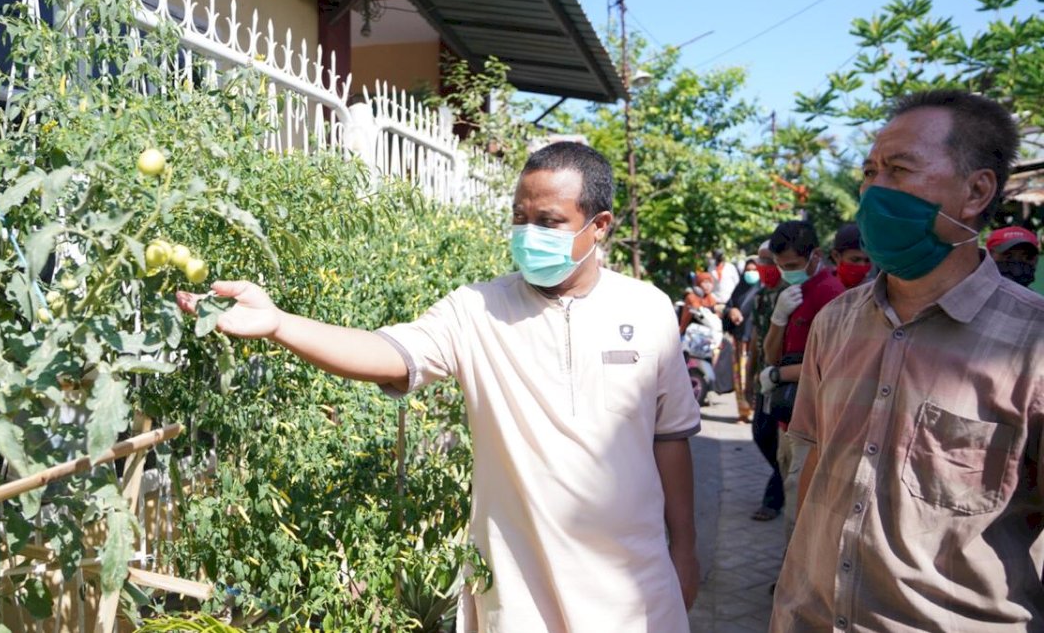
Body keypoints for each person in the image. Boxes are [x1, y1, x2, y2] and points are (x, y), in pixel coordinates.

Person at [179, 142, 701, 631]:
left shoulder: (648, 308)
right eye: (519, 218)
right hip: (520, 589)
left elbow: (669, 438)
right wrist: (279, 324)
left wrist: (685, 551)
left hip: (633, 584)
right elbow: (386, 353)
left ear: (599, 225)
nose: (527, 234)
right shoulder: (477, 309)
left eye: (548, 222)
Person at [771, 90, 1044, 632]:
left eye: (898, 170)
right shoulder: (835, 323)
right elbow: (812, 469)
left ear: (976, 191)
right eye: (870, 172)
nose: (873, 191)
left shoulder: (1033, 345)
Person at [757, 220, 844, 537]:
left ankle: (794, 583)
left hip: (813, 426)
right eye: (780, 266)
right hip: (787, 422)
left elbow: (829, 365)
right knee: (791, 504)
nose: (784, 272)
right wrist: (778, 319)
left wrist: (779, 373)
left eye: (792, 265)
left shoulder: (832, 295)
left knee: (800, 514)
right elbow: (770, 353)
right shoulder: (790, 292)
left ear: (816, 255)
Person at [748, 241, 786, 521]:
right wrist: (750, 374)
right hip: (763, 375)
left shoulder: (791, 294)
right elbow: (755, 339)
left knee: (777, 436)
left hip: (784, 378)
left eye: (769, 261)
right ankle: (783, 477)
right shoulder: (761, 296)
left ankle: (774, 497)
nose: (764, 268)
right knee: (761, 433)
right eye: (761, 262)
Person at [724, 257, 762, 423]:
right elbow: (727, 307)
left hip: (756, 343)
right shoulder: (738, 290)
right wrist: (731, 311)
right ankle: (743, 413)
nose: (751, 273)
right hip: (739, 342)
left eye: (754, 269)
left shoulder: (763, 290)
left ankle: (757, 412)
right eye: (748, 270)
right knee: (740, 378)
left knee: (754, 377)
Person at [829, 222, 871, 289]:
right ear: (836, 256)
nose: (862, 265)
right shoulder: (825, 291)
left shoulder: (874, 291)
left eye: (867, 260)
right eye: (855, 259)